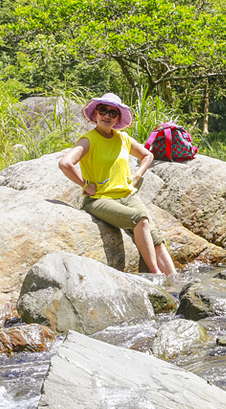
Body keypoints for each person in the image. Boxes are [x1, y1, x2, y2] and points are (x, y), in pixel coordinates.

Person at [57, 93, 177, 275]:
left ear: (118, 118)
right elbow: (65, 164)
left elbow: (147, 155)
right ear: (95, 113)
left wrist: (137, 175)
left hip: (127, 196)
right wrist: (85, 184)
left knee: (156, 240)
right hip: (99, 199)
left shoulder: (123, 139)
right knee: (140, 219)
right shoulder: (88, 140)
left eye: (113, 113)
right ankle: (156, 274)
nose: (107, 116)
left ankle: (175, 283)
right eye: (103, 110)